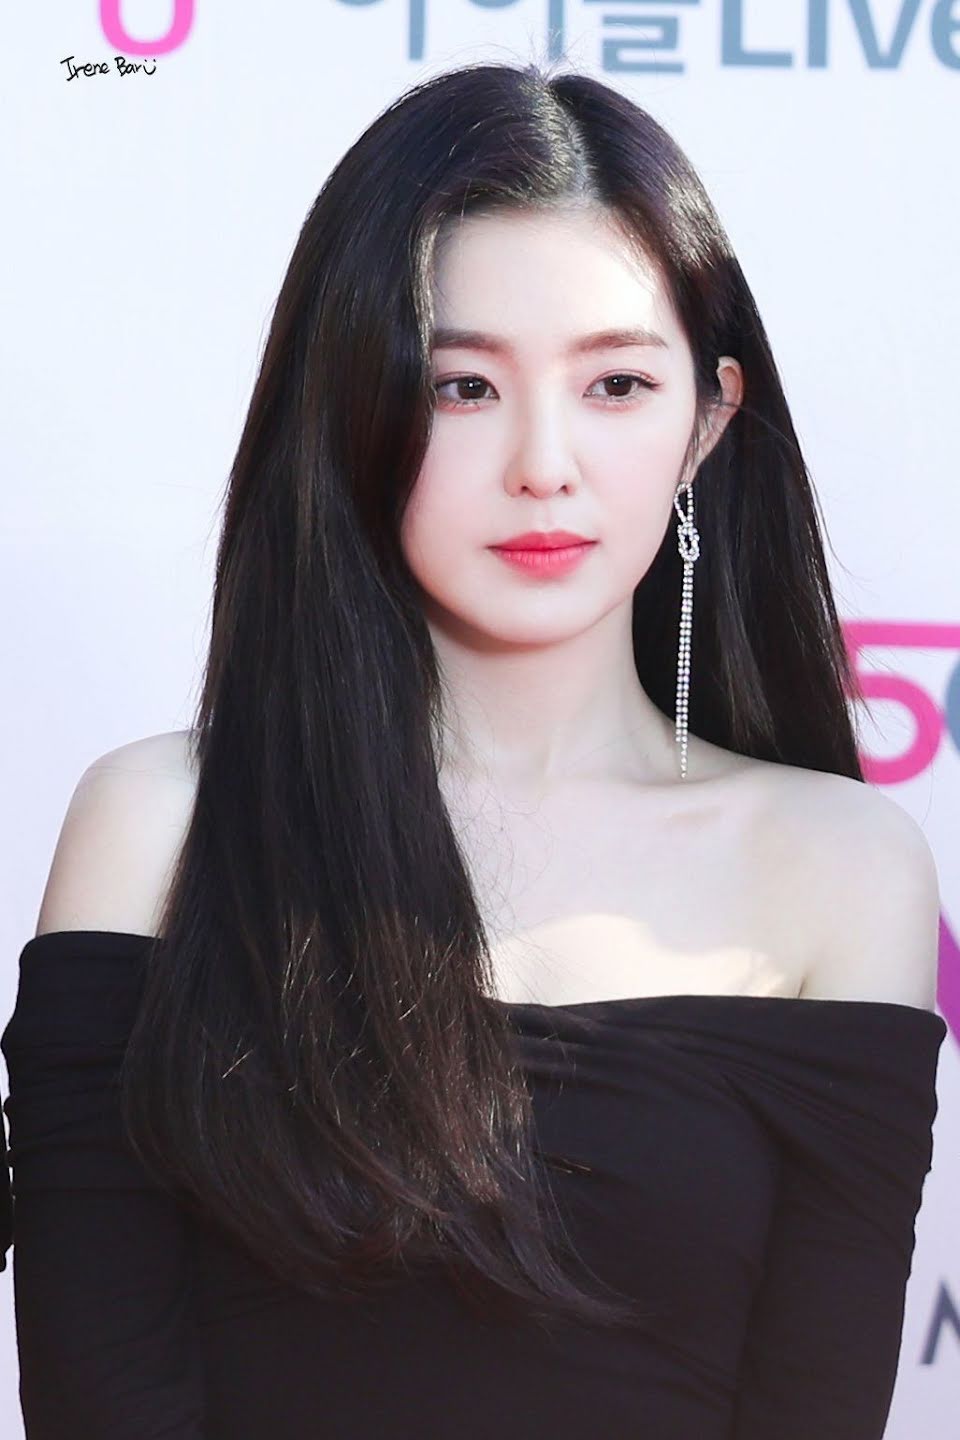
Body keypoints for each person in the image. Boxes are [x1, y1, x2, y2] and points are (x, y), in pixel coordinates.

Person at [0, 58, 947, 1440]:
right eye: (460, 387)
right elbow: (104, 1395)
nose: (543, 463)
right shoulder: (160, 824)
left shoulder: (840, 867)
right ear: (351, 406)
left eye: (617, 382)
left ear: (708, 420)